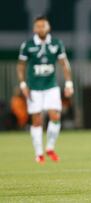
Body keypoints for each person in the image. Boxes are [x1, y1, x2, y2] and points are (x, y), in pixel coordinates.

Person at [17, 16, 74, 164]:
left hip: (51, 86)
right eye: (38, 26)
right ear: (34, 29)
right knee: (36, 120)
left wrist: (69, 84)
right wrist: (23, 85)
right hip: (34, 88)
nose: (41, 28)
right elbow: (21, 66)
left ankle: (50, 147)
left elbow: (64, 64)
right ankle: (39, 153)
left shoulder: (56, 43)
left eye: (43, 26)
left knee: (55, 116)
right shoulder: (28, 45)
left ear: (48, 28)